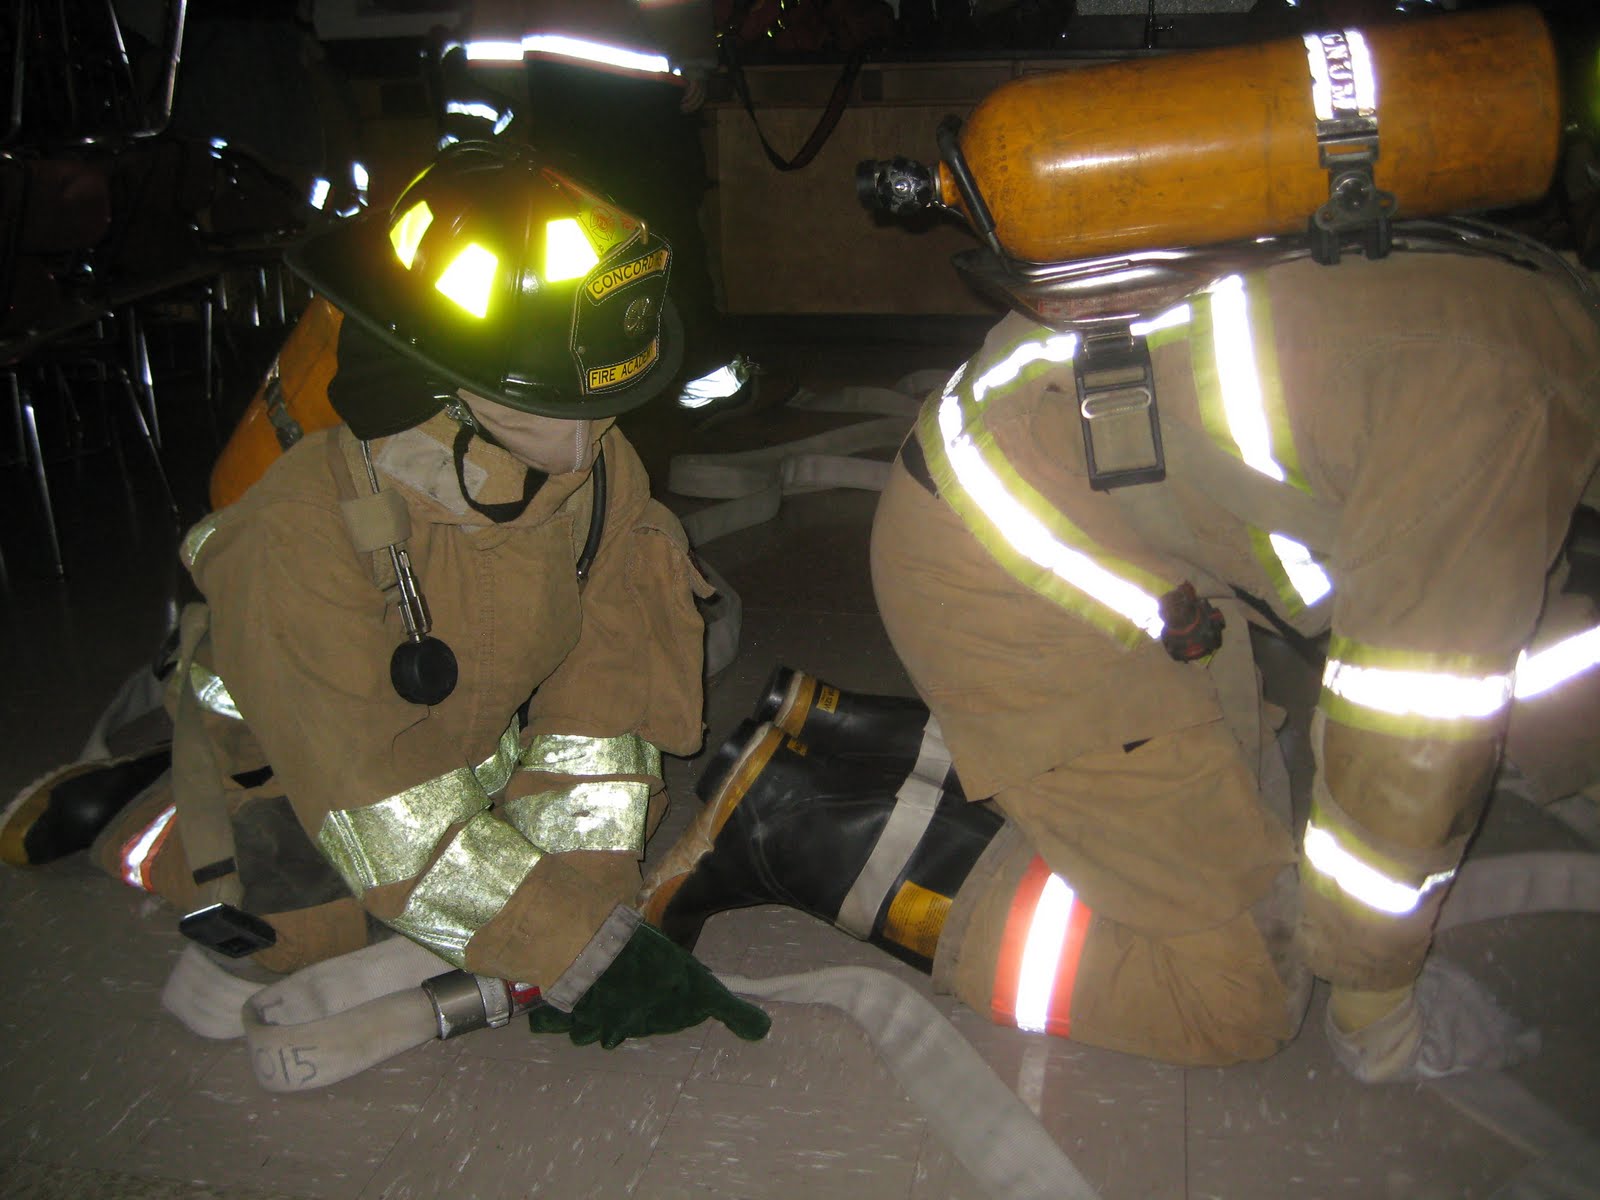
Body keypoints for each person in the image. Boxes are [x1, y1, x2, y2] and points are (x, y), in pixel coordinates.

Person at [640, 232, 1600, 1078]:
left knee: (1249, 849)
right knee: (1243, 994)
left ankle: (861, 748)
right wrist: (1379, 1000)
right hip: (1020, 573)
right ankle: (795, 828)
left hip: (1084, 526)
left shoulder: (1524, 294)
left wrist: (1573, 764)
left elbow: (1517, 605)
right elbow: (1409, 742)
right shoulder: (1518, 411)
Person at [2, 140, 767, 1050]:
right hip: (296, 751)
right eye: (551, 406)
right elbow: (380, 806)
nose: (587, 438)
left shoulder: (599, 474)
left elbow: (603, 703)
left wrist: (591, 893)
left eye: (594, 406)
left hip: (455, 736)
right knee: (299, 935)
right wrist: (578, 951)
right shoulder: (297, 531)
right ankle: (141, 801)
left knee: (534, 854)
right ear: (425, 378)